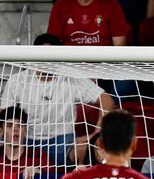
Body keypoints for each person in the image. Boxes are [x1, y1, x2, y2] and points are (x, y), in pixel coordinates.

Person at [0, 35, 114, 168]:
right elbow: (4, 114)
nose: (45, 60)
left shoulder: (71, 78)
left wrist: (95, 133)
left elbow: (107, 100)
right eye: (41, 55)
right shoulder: (18, 80)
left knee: (88, 147)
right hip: (27, 142)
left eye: (50, 55)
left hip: (63, 142)